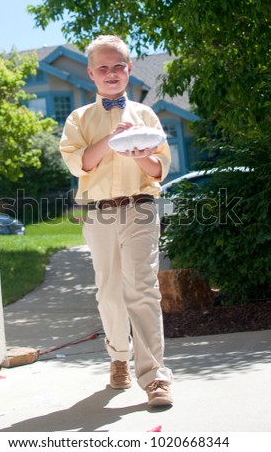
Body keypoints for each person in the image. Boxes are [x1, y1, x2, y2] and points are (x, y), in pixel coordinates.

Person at [60, 35, 173, 407]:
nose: (111, 73)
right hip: (100, 214)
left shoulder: (146, 116)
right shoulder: (79, 119)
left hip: (140, 209)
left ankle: (155, 376)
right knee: (109, 293)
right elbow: (82, 164)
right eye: (103, 68)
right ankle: (118, 357)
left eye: (118, 66)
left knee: (142, 289)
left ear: (129, 70)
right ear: (92, 73)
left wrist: (141, 155)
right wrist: (111, 139)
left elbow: (158, 170)